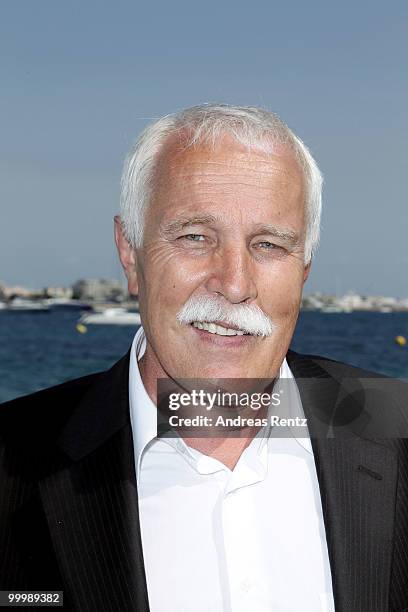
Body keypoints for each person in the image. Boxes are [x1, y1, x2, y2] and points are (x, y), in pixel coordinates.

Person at [0, 104, 407, 612]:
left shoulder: (398, 431)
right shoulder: (12, 459)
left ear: (304, 268)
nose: (234, 284)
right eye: (196, 237)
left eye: (269, 245)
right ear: (130, 252)